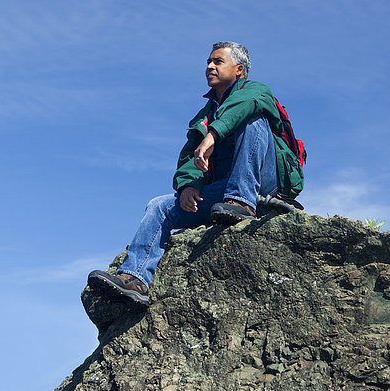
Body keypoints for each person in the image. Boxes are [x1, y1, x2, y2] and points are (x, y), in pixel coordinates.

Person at [88, 42, 285, 307]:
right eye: (208, 62)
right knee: (159, 206)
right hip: (222, 197)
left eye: (218, 62)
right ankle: (135, 279)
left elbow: (246, 104)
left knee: (252, 119)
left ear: (239, 70)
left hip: (262, 186)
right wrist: (188, 187)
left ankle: (243, 202)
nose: (209, 67)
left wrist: (214, 135)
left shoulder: (257, 91)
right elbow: (190, 160)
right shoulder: (203, 117)